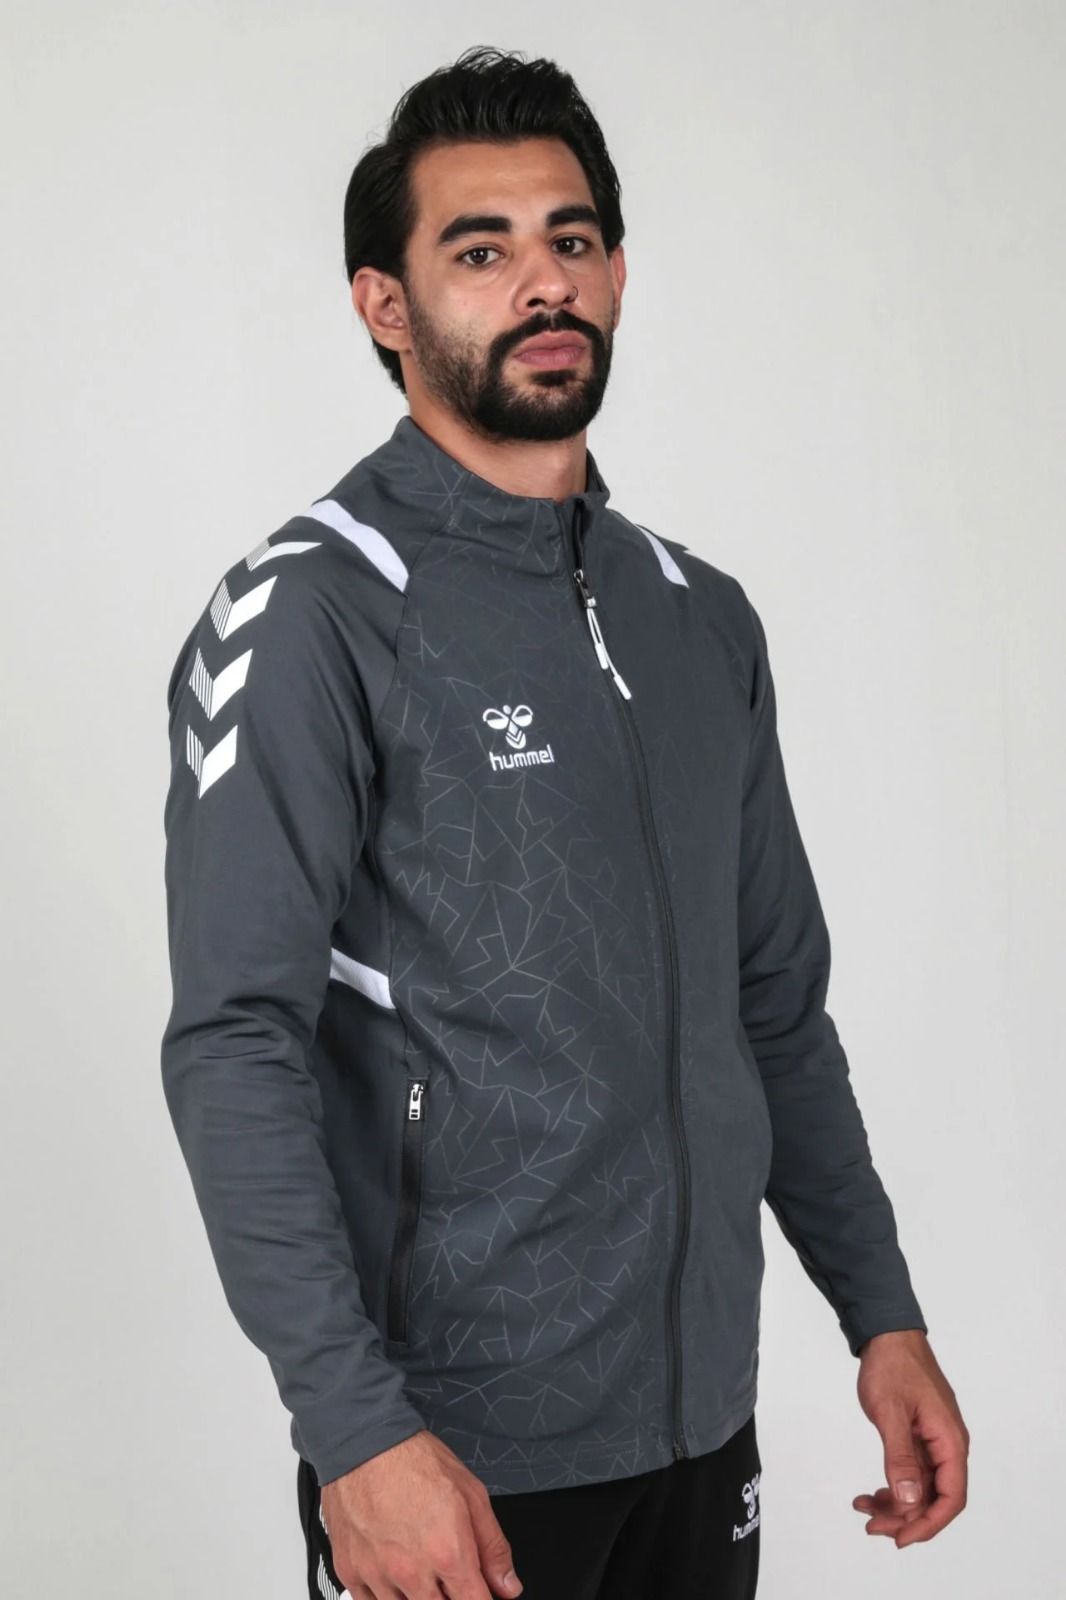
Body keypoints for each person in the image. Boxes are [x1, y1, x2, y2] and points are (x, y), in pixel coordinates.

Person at [160, 44, 970, 1600]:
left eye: (572, 239)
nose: (543, 282)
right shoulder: (317, 612)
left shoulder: (698, 617)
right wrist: (355, 1433)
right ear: (385, 305)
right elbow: (234, 1043)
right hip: (449, 1457)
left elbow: (771, 1009)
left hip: (698, 1426)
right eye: (480, 251)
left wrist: (881, 1314)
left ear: (615, 271)